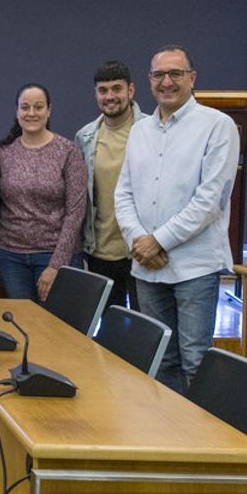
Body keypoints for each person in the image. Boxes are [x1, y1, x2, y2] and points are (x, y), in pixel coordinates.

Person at [115, 45, 238, 393]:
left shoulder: (218, 126)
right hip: (147, 267)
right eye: (158, 75)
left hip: (195, 267)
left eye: (176, 74)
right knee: (159, 358)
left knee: (196, 360)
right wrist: (139, 240)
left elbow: (210, 200)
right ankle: (167, 440)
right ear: (149, 80)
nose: (167, 82)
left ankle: (202, 445)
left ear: (192, 78)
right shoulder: (140, 131)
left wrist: (158, 240)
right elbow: (123, 194)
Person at [0, 83, 87, 302]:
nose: (32, 113)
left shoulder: (68, 151)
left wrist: (56, 265)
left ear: (49, 110)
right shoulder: (4, 152)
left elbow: (75, 212)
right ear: (17, 112)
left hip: (54, 255)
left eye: (38, 107)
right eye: (25, 107)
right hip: (10, 257)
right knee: (23, 326)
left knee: (55, 330)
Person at [74, 61, 146, 311]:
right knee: (107, 334)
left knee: (145, 329)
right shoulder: (85, 137)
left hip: (140, 249)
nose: (110, 96)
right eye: (103, 90)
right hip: (99, 250)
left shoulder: (151, 130)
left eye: (117, 89)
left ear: (131, 90)